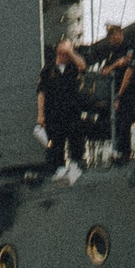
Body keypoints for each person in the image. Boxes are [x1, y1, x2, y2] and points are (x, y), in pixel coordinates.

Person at [87, 22, 135, 162]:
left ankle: (125, 154)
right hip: (113, 94)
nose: (111, 38)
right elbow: (104, 70)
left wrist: (119, 94)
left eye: (113, 35)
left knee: (124, 122)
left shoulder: (130, 48)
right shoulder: (112, 53)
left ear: (120, 33)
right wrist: (116, 64)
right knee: (114, 123)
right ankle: (117, 152)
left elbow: (129, 70)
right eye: (110, 36)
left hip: (127, 93)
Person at [35, 37, 86, 173]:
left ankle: (77, 169)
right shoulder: (48, 70)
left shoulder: (74, 67)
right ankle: (57, 172)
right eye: (64, 48)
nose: (66, 52)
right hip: (54, 116)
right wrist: (40, 115)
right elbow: (41, 93)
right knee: (54, 148)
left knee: (76, 146)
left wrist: (71, 52)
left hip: (72, 114)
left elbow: (83, 66)